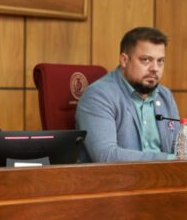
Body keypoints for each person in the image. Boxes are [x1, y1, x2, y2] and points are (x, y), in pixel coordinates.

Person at [76, 27, 180, 162]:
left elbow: (183, 147)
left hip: (167, 178)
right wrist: (170, 159)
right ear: (124, 60)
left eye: (160, 61)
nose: (155, 68)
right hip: (118, 180)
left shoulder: (165, 95)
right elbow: (106, 156)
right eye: (146, 60)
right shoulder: (98, 96)